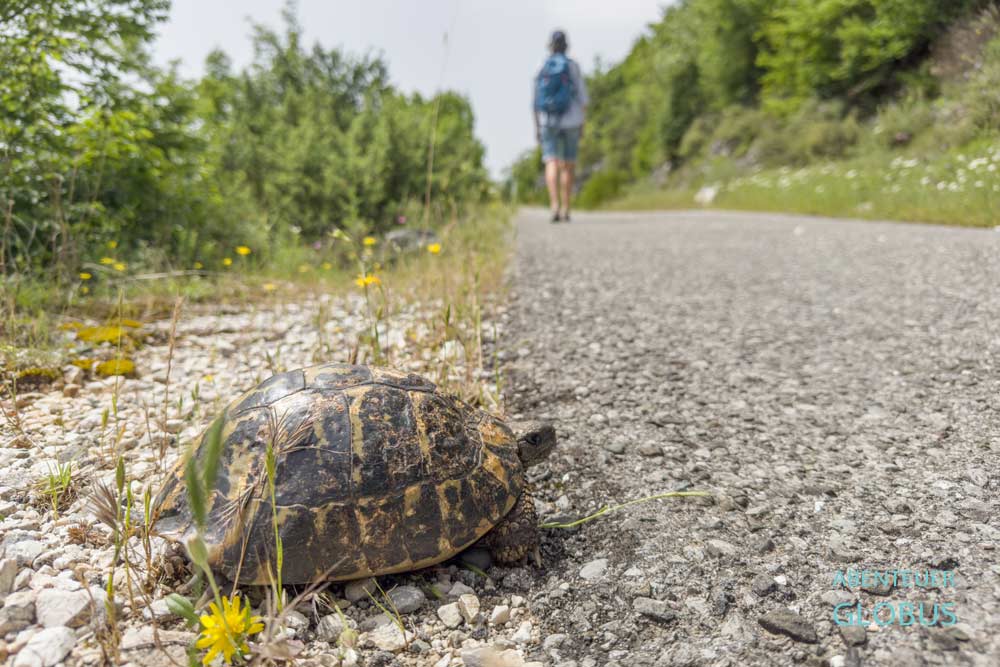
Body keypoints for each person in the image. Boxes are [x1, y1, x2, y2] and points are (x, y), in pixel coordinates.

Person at [533, 29, 588, 223]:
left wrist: (537, 127)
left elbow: (535, 100)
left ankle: (554, 205)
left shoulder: (541, 66)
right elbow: (583, 99)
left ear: (550, 46)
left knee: (551, 161)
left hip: (548, 120)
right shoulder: (572, 66)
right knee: (568, 164)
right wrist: (582, 124)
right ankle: (566, 207)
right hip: (572, 119)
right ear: (566, 45)